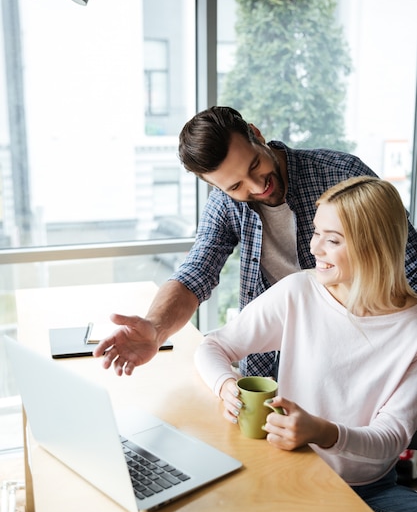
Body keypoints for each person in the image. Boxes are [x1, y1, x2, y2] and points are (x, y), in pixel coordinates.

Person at [94, 106, 417, 378]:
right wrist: (156, 328)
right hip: (270, 362)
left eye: (254, 165)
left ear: (256, 134)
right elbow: (196, 272)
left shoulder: (340, 174)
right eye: (236, 185)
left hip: (359, 351)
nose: (257, 185)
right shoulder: (224, 204)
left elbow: (410, 263)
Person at [194, 176, 417, 512]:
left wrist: (321, 431)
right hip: (287, 472)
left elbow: (390, 439)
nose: (314, 247)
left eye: (333, 240)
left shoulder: (411, 330)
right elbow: (213, 345)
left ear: (374, 246)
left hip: (367, 492)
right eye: (316, 233)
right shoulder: (300, 291)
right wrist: (226, 386)